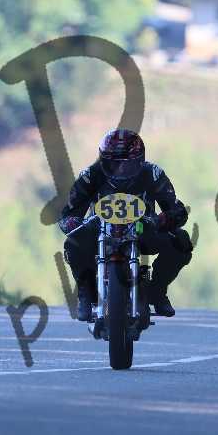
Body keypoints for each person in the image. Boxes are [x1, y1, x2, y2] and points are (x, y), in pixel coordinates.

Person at [59, 129, 193, 321]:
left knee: (181, 242)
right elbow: (67, 215)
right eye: (114, 164)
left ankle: (157, 291)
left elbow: (175, 208)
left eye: (127, 164)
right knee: (73, 243)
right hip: (98, 230)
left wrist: (166, 219)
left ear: (140, 161)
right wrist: (73, 223)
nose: (121, 169)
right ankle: (85, 293)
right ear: (103, 161)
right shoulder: (90, 176)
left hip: (142, 228)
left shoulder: (153, 174)